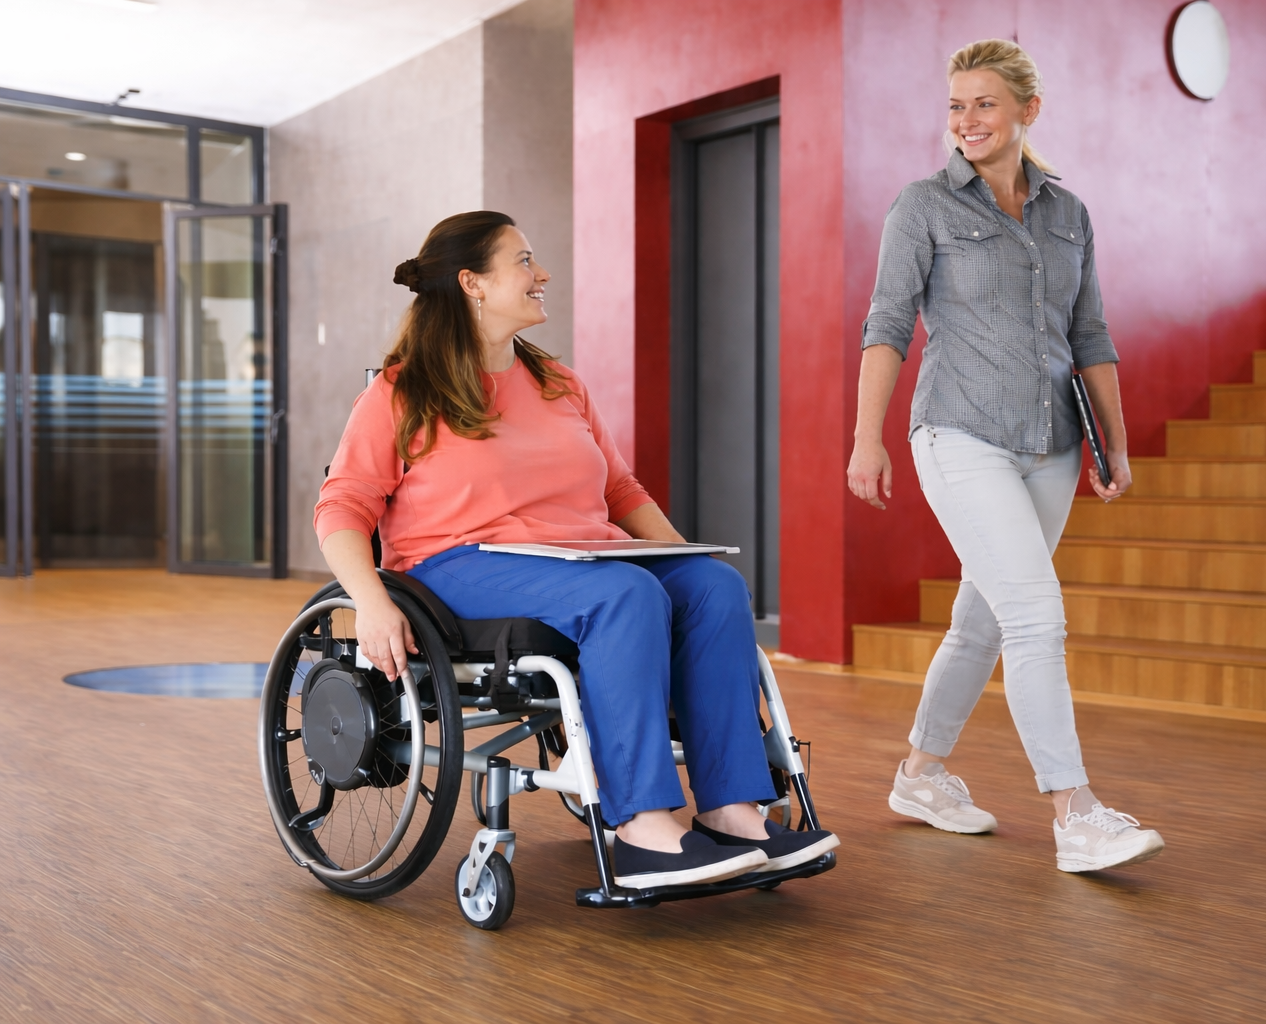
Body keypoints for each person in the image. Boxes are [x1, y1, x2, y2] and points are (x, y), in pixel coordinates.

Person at [315, 211, 837, 889]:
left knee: (714, 589)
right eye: (525, 261)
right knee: (626, 596)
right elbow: (342, 506)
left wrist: (686, 561)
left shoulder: (558, 383)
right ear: (472, 283)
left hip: (579, 560)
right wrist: (372, 601)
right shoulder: (402, 392)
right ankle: (643, 827)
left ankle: (732, 809)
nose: (543, 276)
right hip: (459, 566)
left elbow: (619, 489)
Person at [847, 40, 1163, 872]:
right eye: (955, 105)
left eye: (983, 103)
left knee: (983, 620)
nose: (966, 121)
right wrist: (865, 437)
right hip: (958, 433)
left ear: (1027, 110)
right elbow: (887, 326)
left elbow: (1090, 334)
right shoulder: (923, 206)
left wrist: (1115, 443)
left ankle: (919, 772)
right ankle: (1075, 813)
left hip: (1053, 445)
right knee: (1036, 617)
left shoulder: (1068, 215)